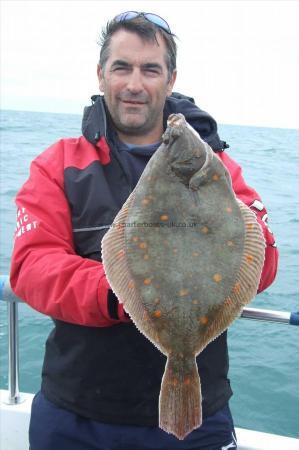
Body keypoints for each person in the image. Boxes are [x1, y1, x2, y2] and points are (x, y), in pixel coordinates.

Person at [10, 11, 278, 450]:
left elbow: (264, 263)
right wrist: (124, 292)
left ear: (170, 80)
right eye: (122, 67)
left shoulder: (220, 170)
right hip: (77, 413)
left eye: (150, 69)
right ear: (101, 75)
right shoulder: (58, 165)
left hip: (199, 416)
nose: (135, 83)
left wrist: (231, 238)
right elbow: (32, 267)